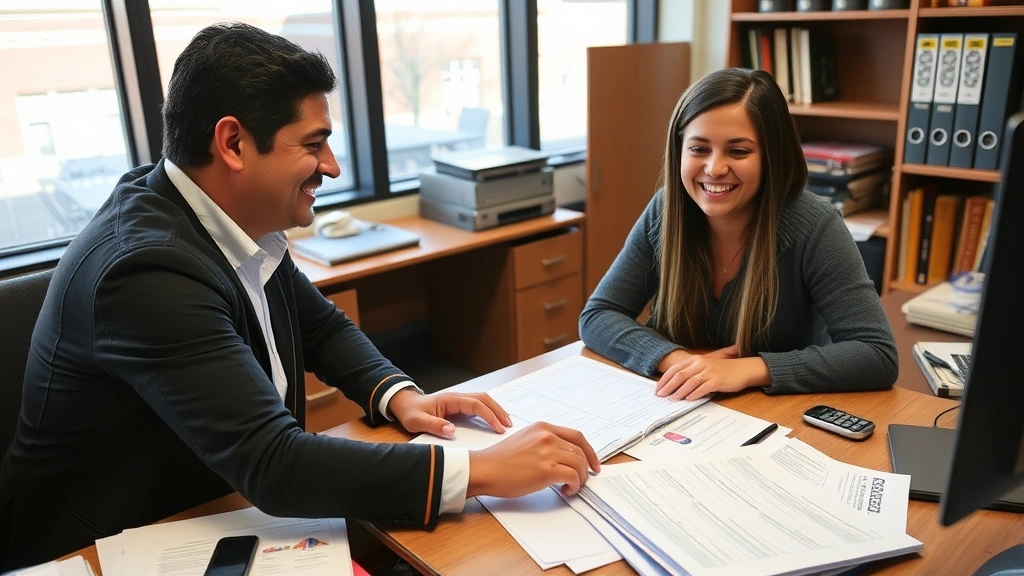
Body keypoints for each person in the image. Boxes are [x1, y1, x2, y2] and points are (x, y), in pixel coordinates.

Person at [0, 22, 598, 571]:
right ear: (232, 143)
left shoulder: (220, 217)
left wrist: (399, 396)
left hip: (209, 499)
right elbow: (275, 465)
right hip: (101, 543)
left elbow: (321, 328)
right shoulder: (147, 271)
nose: (332, 167)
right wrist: (485, 469)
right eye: (313, 145)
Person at [579, 67, 897, 401]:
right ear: (679, 151)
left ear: (771, 157)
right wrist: (683, 363)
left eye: (739, 151)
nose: (715, 168)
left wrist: (748, 369)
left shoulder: (815, 225)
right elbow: (598, 315)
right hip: (680, 405)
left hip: (779, 417)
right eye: (699, 149)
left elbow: (877, 354)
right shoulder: (666, 210)